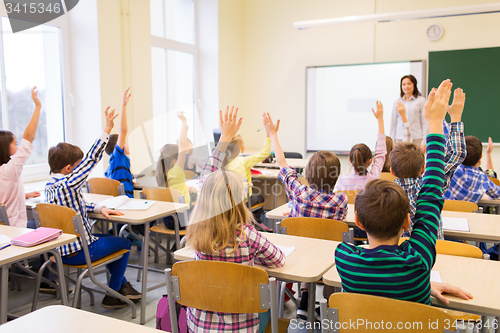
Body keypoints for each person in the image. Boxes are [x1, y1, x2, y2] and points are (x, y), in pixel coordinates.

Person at [334, 79, 455, 304]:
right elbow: (430, 195)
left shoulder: (344, 259)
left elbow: (431, 194)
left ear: (358, 221)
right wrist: (435, 124)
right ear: (408, 221)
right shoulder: (418, 262)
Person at [185, 106, 285, 333]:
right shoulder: (246, 235)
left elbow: (206, 182)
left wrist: (225, 138)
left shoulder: (196, 232)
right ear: (240, 200)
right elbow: (277, 260)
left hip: (199, 327)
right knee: (268, 300)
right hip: (239, 328)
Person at [45, 107, 141, 309]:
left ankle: (121, 285)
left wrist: (99, 207)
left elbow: (74, 205)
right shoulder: (69, 183)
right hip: (80, 250)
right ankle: (113, 293)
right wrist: (107, 128)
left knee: (109, 240)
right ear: (70, 169)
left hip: (60, 251)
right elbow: (91, 159)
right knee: (124, 243)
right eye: (78, 167)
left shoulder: (51, 187)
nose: (82, 170)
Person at [263, 111, 347, 320]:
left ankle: (304, 299)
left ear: (308, 174)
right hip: (329, 261)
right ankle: (325, 305)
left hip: (300, 258)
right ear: (336, 176)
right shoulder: (341, 201)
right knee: (328, 251)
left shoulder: (299, 193)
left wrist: (273, 134)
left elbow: (283, 164)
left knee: (305, 244)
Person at [391, 87, 466, 240]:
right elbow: (457, 153)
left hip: (398, 260)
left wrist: (404, 119)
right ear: (423, 169)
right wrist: (455, 116)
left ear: (391, 171)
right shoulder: (430, 186)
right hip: (432, 259)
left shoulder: (384, 196)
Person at [0, 87, 41, 228]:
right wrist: (38, 106)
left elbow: (4, 198)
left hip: (4, 230)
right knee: (44, 221)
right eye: (15, 144)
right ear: (4, 148)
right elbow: (28, 138)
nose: (18, 147)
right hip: (16, 229)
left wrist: (23, 194)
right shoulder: (9, 170)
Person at [224, 121, 272, 232]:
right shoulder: (243, 161)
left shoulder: (223, 163)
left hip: (228, 201)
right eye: (243, 143)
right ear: (237, 147)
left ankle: (253, 223)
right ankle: (257, 222)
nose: (244, 145)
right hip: (243, 200)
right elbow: (264, 153)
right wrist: (268, 135)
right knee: (260, 197)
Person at [336, 101, 386, 192]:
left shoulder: (343, 181)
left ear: (349, 159)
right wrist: (380, 119)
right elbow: (380, 153)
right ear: (369, 161)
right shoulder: (372, 180)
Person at [444, 135, 500, 204]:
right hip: (468, 213)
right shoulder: (483, 178)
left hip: (445, 212)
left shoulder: (451, 170)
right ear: (481, 157)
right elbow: (498, 193)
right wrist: (488, 153)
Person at [155, 112, 194, 207]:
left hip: (168, 215)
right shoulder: (176, 172)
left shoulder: (161, 173)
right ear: (174, 161)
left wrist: (184, 186)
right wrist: (184, 121)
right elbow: (181, 144)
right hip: (183, 214)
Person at [104, 88, 134, 198]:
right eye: (124, 142)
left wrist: (128, 180)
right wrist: (124, 105)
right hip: (126, 203)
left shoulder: (113, 163)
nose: (127, 144)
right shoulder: (118, 157)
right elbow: (123, 130)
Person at [390, 74, 427, 146]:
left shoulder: (421, 101)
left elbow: (424, 122)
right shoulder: (397, 102)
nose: (406, 86)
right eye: (403, 84)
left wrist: (424, 142)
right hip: (400, 138)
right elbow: (393, 124)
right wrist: (392, 141)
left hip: (416, 138)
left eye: (409, 84)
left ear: (414, 85)